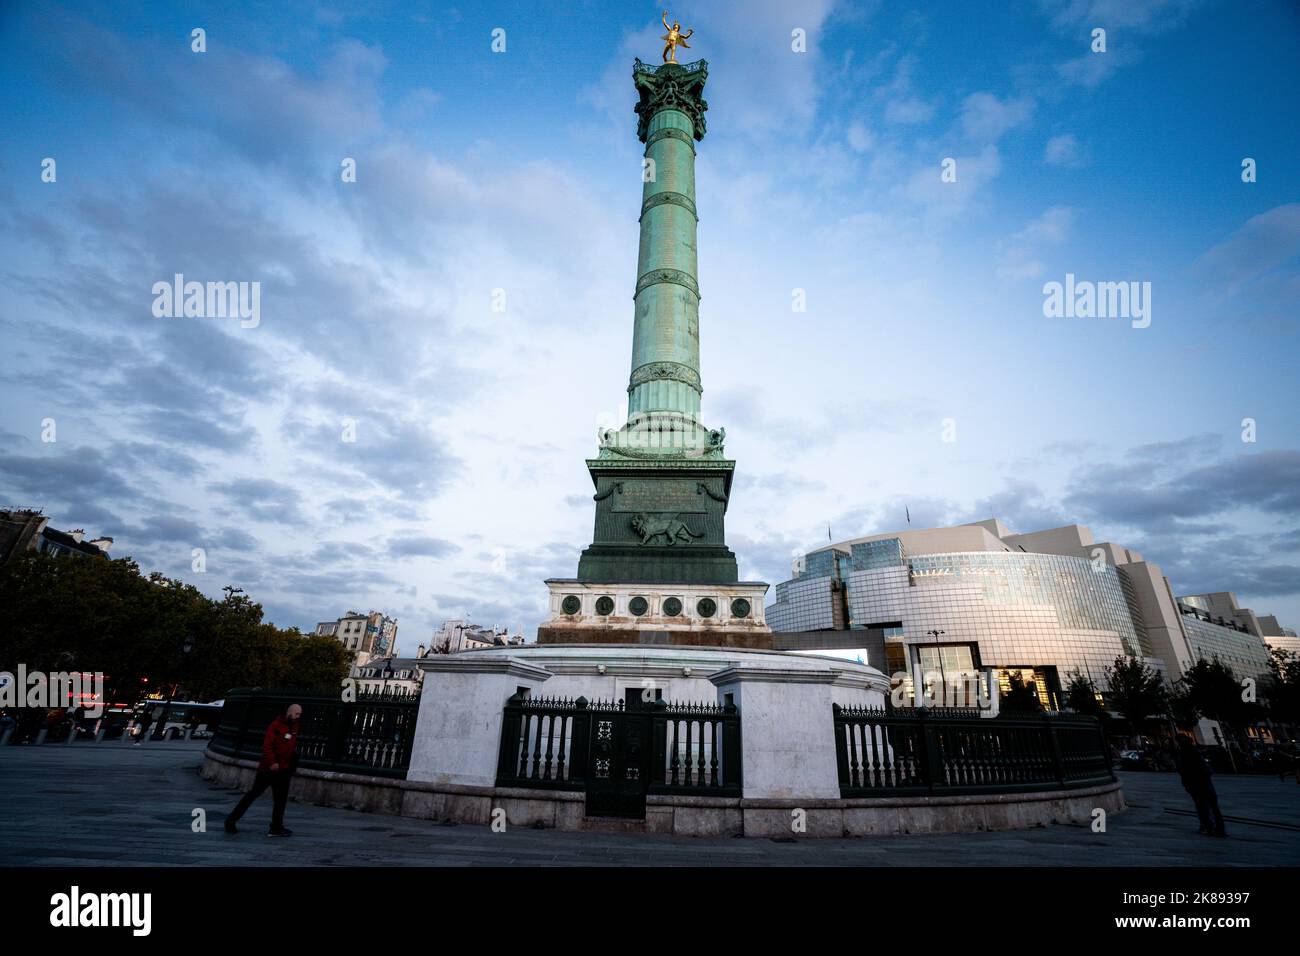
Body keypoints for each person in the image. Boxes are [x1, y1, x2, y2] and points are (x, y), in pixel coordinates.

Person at [225, 704, 302, 837]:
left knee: (280, 799)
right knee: (253, 795)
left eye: (299, 714)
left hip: (284, 768)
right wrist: (272, 762)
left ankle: (276, 827)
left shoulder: (294, 726)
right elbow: (267, 746)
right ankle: (231, 820)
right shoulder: (276, 725)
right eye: (296, 713)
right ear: (289, 712)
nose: (298, 716)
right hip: (269, 769)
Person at [1175, 736, 1226, 837]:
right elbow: (1207, 769)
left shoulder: (1184, 754)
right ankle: (1219, 828)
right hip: (1206, 781)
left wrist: (1186, 784)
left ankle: (1207, 827)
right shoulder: (1197, 753)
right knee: (1213, 806)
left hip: (1196, 783)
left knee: (1201, 806)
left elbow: (1183, 770)